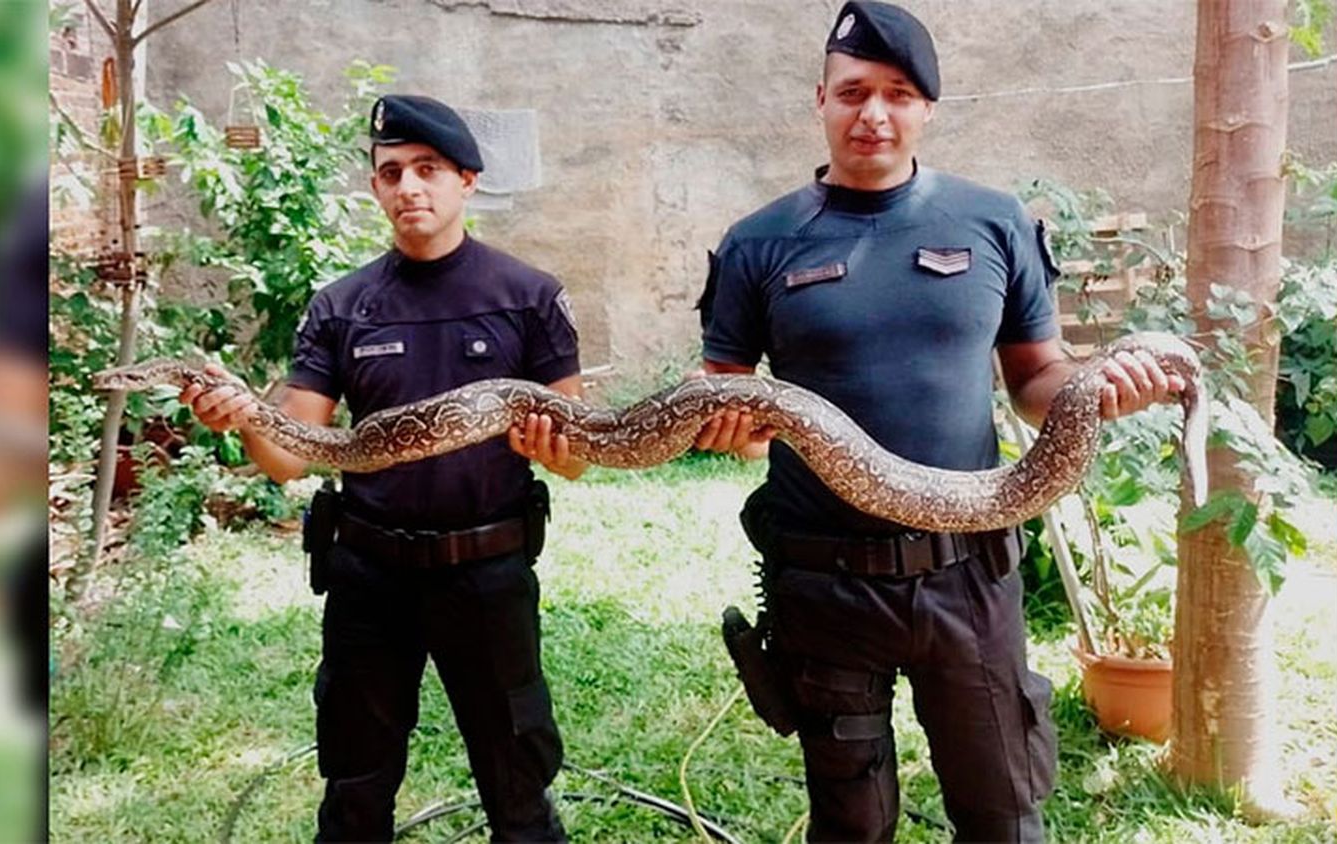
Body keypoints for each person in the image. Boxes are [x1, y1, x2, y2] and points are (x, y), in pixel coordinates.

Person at [693, 3, 1180, 841]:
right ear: (820, 100)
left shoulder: (993, 223)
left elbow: (1036, 377)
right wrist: (725, 426)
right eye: (852, 92)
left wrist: (1092, 391)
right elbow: (722, 393)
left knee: (1002, 815)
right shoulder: (757, 243)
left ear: (927, 109)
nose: (872, 113)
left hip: (968, 573)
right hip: (824, 575)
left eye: (896, 93)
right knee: (850, 822)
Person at [180, 94, 583, 842]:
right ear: (374, 187)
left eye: (427, 169)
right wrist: (240, 420)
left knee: (517, 786)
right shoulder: (342, 306)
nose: (409, 188)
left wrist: (559, 450)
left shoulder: (529, 298)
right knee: (355, 789)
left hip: (488, 573)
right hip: (370, 576)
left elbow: (578, 455)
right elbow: (287, 459)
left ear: (467, 180)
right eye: (390, 172)